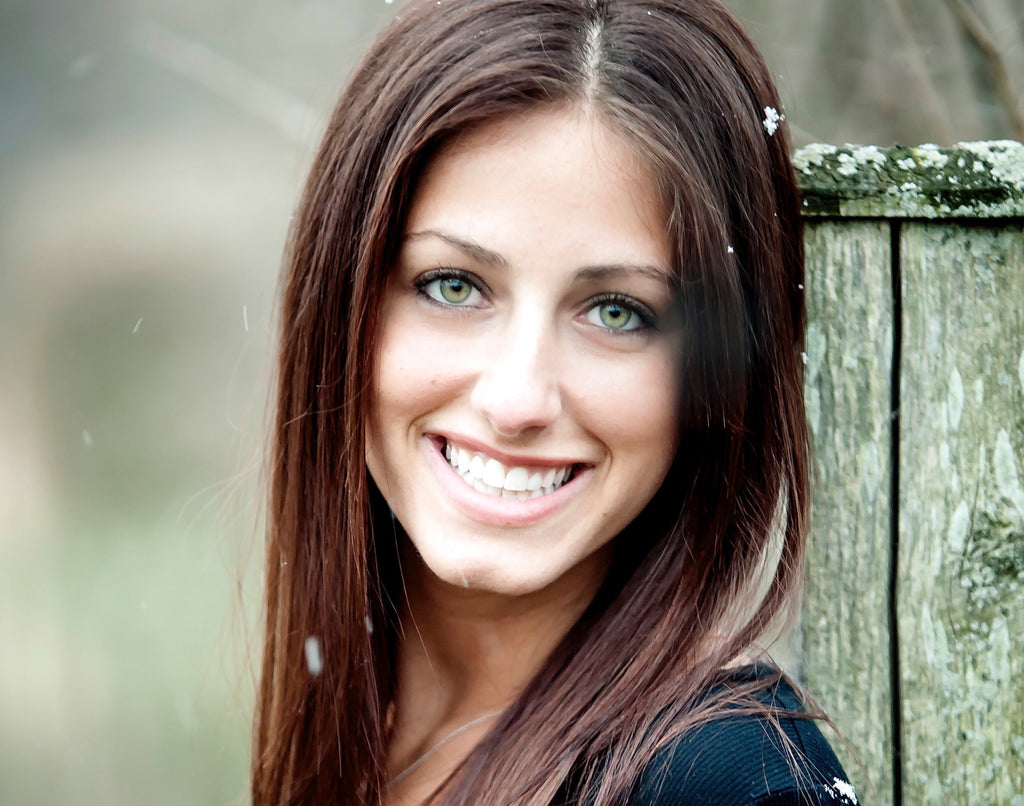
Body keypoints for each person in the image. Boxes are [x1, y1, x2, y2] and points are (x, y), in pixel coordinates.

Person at [252, 0, 859, 803]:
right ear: (341, 302)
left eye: (617, 311)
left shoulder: (726, 783)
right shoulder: (358, 733)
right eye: (453, 285)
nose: (517, 400)